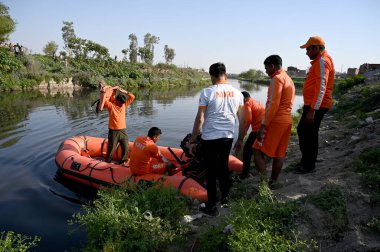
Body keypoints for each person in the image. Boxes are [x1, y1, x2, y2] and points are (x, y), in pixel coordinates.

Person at [190, 62, 245, 216]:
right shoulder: (238, 94)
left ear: (212, 76)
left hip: (209, 138)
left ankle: (211, 207)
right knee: (223, 169)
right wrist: (240, 139)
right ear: (225, 74)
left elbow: (200, 119)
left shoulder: (207, 92)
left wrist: (193, 141)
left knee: (211, 172)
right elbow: (243, 120)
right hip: (227, 138)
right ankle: (225, 200)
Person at [253, 55, 295, 186]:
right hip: (287, 120)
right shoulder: (288, 78)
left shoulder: (276, 79)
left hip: (275, 121)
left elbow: (273, 104)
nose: (265, 71)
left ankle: (264, 182)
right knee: (279, 153)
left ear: (272, 66)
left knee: (256, 149)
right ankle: (273, 181)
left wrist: (263, 125)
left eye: (266, 68)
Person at [295, 36, 335, 174]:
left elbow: (321, 87)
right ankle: (307, 160)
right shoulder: (319, 61)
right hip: (313, 105)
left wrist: (313, 109)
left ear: (316, 48)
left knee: (309, 134)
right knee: (304, 131)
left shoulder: (322, 62)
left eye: (308, 49)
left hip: (317, 106)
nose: (306, 53)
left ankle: (308, 165)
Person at [100, 80, 135, 165]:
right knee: (111, 148)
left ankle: (123, 161)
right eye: (120, 102)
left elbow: (132, 97)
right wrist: (107, 90)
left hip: (122, 130)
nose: (122, 104)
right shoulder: (111, 106)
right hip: (113, 131)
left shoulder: (123, 105)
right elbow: (105, 100)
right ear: (116, 100)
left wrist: (124, 91)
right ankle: (107, 162)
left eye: (123, 103)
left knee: (125, 147)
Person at [239, 91, 265, 179]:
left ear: (244, 98)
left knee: (246, 151)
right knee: (257, 150)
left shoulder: (247, 103)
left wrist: (243, 134)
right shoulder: (257, 102)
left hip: (257, 131)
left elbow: (248, 120)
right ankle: (259, 170)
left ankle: (245, 174)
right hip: (264, 129)